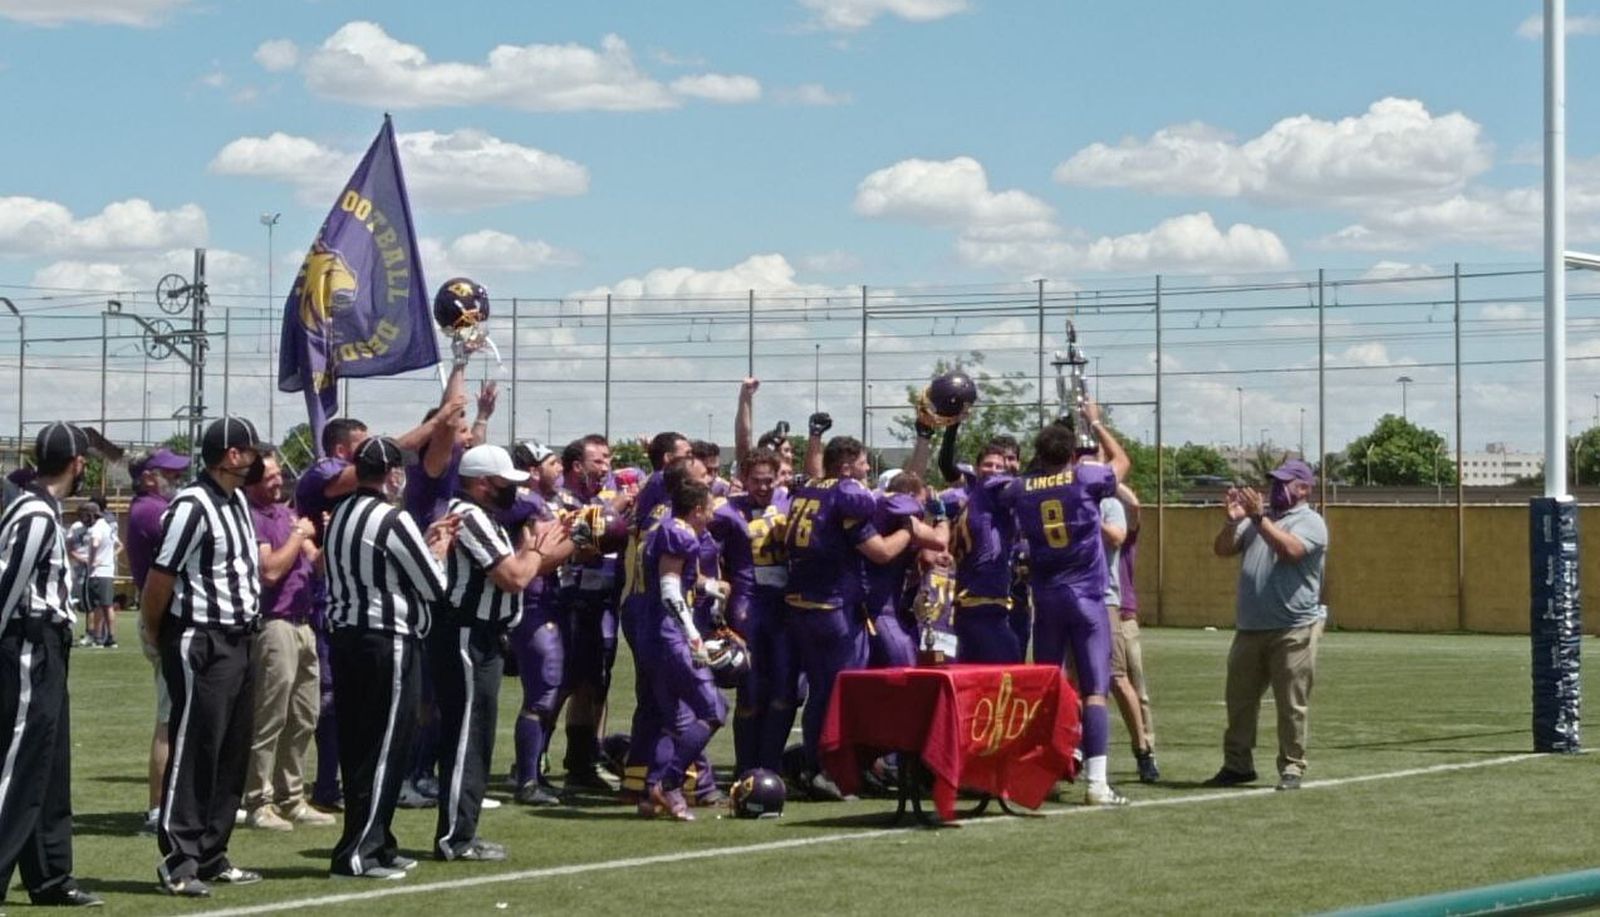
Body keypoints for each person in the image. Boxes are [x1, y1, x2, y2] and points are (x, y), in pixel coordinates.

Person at [141, 416, 271, 897]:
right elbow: (161, 578)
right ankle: (179, 859)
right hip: (200, 637)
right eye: (251, 451)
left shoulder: (236, 500)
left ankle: (213, 853)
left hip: (239, 637)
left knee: (232, 750)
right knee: (196, 747)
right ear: (231, 455)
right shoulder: (191, 506)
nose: (257, 460)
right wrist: (157, 633)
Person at [323, 437, 456, 879]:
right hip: (388, 639)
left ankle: (377, 841)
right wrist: (437, 549)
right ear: (394, 474)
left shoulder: (339, 513)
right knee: (385, 747)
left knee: (360, 746)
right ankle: (360, 851)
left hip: (347, 637)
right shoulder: (392, 517)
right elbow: (432, 584)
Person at [784, 435, 942, 798]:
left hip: (799, 601)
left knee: (823, 690)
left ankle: (819, 765)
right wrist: (906, 528)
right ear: (845, 467)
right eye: (861, 463)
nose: (867, 469)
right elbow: (882, 553)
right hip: (832, 605)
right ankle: (827, 767)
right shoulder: (848, 494)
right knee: (837, 690)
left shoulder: (809, 487)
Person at [433, 444, 564, 861]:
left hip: (482, 636)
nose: (514, 491)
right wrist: (541, 548)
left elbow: (522, 568)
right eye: (506, 482)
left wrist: (544, 548)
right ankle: (455, 837)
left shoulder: (480, 515)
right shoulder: (469, 515)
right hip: (467, 635)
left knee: (478, 735)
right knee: (468, 738)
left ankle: (462, 833)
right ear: (482, 483)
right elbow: (513, 576)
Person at [1004, 408, 1130, 806]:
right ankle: (1096, 783)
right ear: (1073, 453)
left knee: (1048, 687)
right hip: (1087, 598)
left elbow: (999, 489)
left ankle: (1047, 774)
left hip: (1046, 597)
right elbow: (1122, 462)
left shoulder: (1022, 487)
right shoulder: (1084, 476)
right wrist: (1095, 421)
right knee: (1094, 689)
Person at [0, 422, 103, 908]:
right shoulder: (36, 513)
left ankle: (50, 875)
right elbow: (9, 585)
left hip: (48, 647)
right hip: (28, 645)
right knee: (20, 766)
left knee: (50, 763)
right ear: (77, 462)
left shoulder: (42, 508)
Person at [1206, 458, 1328, 792]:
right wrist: (1232, 523)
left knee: (1291, 703)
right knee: (1239, 702)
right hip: (1250, 628)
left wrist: (1259, 519)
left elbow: (1291, 550)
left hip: (1292, 628)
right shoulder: (1257, 519)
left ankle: (1292, 766)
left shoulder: (1311, 522)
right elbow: (1222, 550)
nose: (1275, 488)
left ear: (1303, 488)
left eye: (1283, 483)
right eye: (1273, 482)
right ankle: (1237, 765)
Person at [242, 453, 334, 832]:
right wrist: (300, 536)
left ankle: (291, 796)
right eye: (270, 477)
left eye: (280, 475)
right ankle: (257, 800)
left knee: (303, 715)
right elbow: (271, 570)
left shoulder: (287, 514)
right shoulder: (253, 517)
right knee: (270, 716)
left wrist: (327, 536)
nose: (278, 483)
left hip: (304, 621)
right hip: (274, 622)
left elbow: (318, 564)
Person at [638, 481, 725, 820]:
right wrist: (693, 636)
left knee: (673, 718)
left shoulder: (672, 529)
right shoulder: (680, 533)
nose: (714, 512)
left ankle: (651, 795)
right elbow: (670, 590)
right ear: (698, 509)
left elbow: (683, 580)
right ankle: (669, 783)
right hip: (670, 634)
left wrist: (716, 590)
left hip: (655, 633)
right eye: (710, 507)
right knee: (714, 709)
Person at [551, 434, 632, 792]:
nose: (606, 468)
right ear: (576, 465)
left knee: (595, 684)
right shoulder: (557, 500)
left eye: (608, 461)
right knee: (559, 685)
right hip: (567, 601)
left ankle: (581, 760)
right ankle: (532, 759)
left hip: (602, 603)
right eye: (598, 461)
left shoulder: (605, 500)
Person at [507, 441, 579, 806]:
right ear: (533, 469)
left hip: (550, 601)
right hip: (533, 602)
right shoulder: (527, 502)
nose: (559, 467)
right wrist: (582, 537)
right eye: (552, 461)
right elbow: (542, 559)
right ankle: (526, 780)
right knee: (542, 692)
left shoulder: (544, 501)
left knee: (550, 690)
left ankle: (530, 773)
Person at [126, 447, 192, 835]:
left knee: (176, 715)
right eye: (169, 473)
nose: (177, 479)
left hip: (163, 616)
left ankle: (170, 803)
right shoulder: (152, 511)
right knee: (169, 719)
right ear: (150, 476)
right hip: (164, 618)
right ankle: (157, 807)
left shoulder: (147, 508)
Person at [726, 448, 793, 776]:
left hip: (782, 606)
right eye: (756, 481)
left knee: (783, 689)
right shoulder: (727, 509)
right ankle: (745, 767)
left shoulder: (790, 503)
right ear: (743, 479)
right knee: (749, 690)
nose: (763, 487)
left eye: (769, 480)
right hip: (746, 606)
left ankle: (771, 764)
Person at [936, 427, 1020, 664]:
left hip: (993, 600)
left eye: (998, 466)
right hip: (980, 599)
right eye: (988, 465)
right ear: (977, 466)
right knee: (1008, 669)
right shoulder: (989, 490)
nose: (993, 471)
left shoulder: (961, 496)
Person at [1108, 483, 1159, 783]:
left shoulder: (1119, 524)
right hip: (1093, 609)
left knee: (1134, 688)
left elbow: (1135, 507)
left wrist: (1110, 478)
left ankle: (1146, 750)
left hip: (1123, 614)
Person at [80, 498, 117, 648]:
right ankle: (111, 638)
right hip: (108, 570)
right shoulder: (107, 527)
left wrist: (92, 560)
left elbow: (95, 543)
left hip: (98, 572)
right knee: (108, 605)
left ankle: (98, 637)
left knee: (98, 607)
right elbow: (117, 544)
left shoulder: (96, 528)